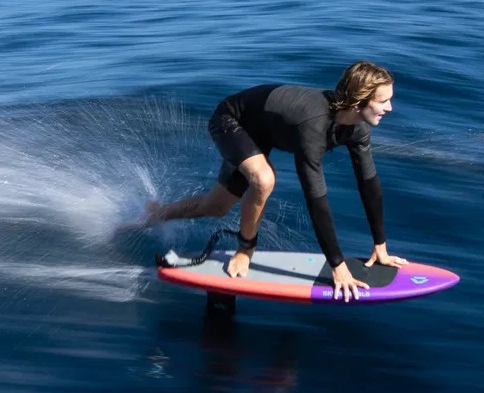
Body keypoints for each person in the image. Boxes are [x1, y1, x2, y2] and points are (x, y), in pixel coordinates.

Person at [136, 60, 406, 301]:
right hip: (232, 122)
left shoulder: (357, 128)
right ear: (359, 101)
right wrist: (338, 266)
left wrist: (380, 246)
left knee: (216, 207)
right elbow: (315, 200)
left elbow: (369, 185)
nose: (390, 108)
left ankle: (156, 213)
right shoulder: (313, 126)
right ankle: (245, 249)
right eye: (383, 101)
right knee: (264, 180)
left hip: (265, 129)